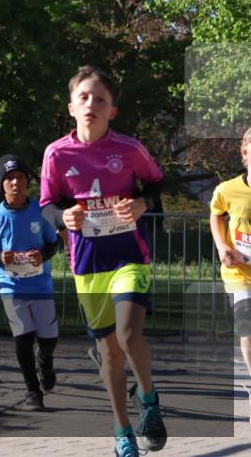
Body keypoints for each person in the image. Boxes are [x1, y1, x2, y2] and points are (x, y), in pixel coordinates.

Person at [40, 65, 166, 457]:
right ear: (71, 107)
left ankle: (148, 398)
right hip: (88, 263)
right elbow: (46, 204)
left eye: (100, 99)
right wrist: (64, 217)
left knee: (128, 336)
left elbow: (158, 183)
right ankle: (122, 430)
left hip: (130, 257)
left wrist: (144, 201)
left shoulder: (129, 149)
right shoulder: (57, 154)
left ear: (112, 110)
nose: (91, 104)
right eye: (84, 98)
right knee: (109, 352)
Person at [0, 155, 61, 410]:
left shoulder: (40, 210)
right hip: (11, 286)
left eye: (20, 177)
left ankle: (44, 359)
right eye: (9, 179)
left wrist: (43, 255)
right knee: (23, 338)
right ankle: (33, 392)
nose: (16, 183)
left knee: (49, 339)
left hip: (40, 285)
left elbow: (53, 242)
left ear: (27, 181)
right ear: (1, 185)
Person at [210, 125, 251, 429]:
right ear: (245, 152)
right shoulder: (228, 189)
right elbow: (215, 213)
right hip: (239, 272)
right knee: (248, 331)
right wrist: (223, 244)